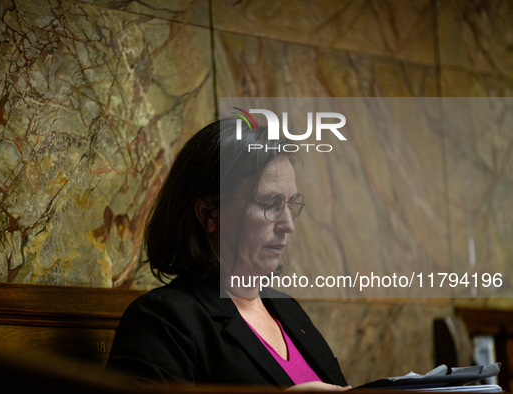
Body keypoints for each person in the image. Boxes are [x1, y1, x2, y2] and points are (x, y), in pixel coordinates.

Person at [106, 119, 349, 391]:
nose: (288, 225)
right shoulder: (164, 320)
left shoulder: (287, 309)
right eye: (271, 204)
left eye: (291, 204)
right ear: (209, 213)